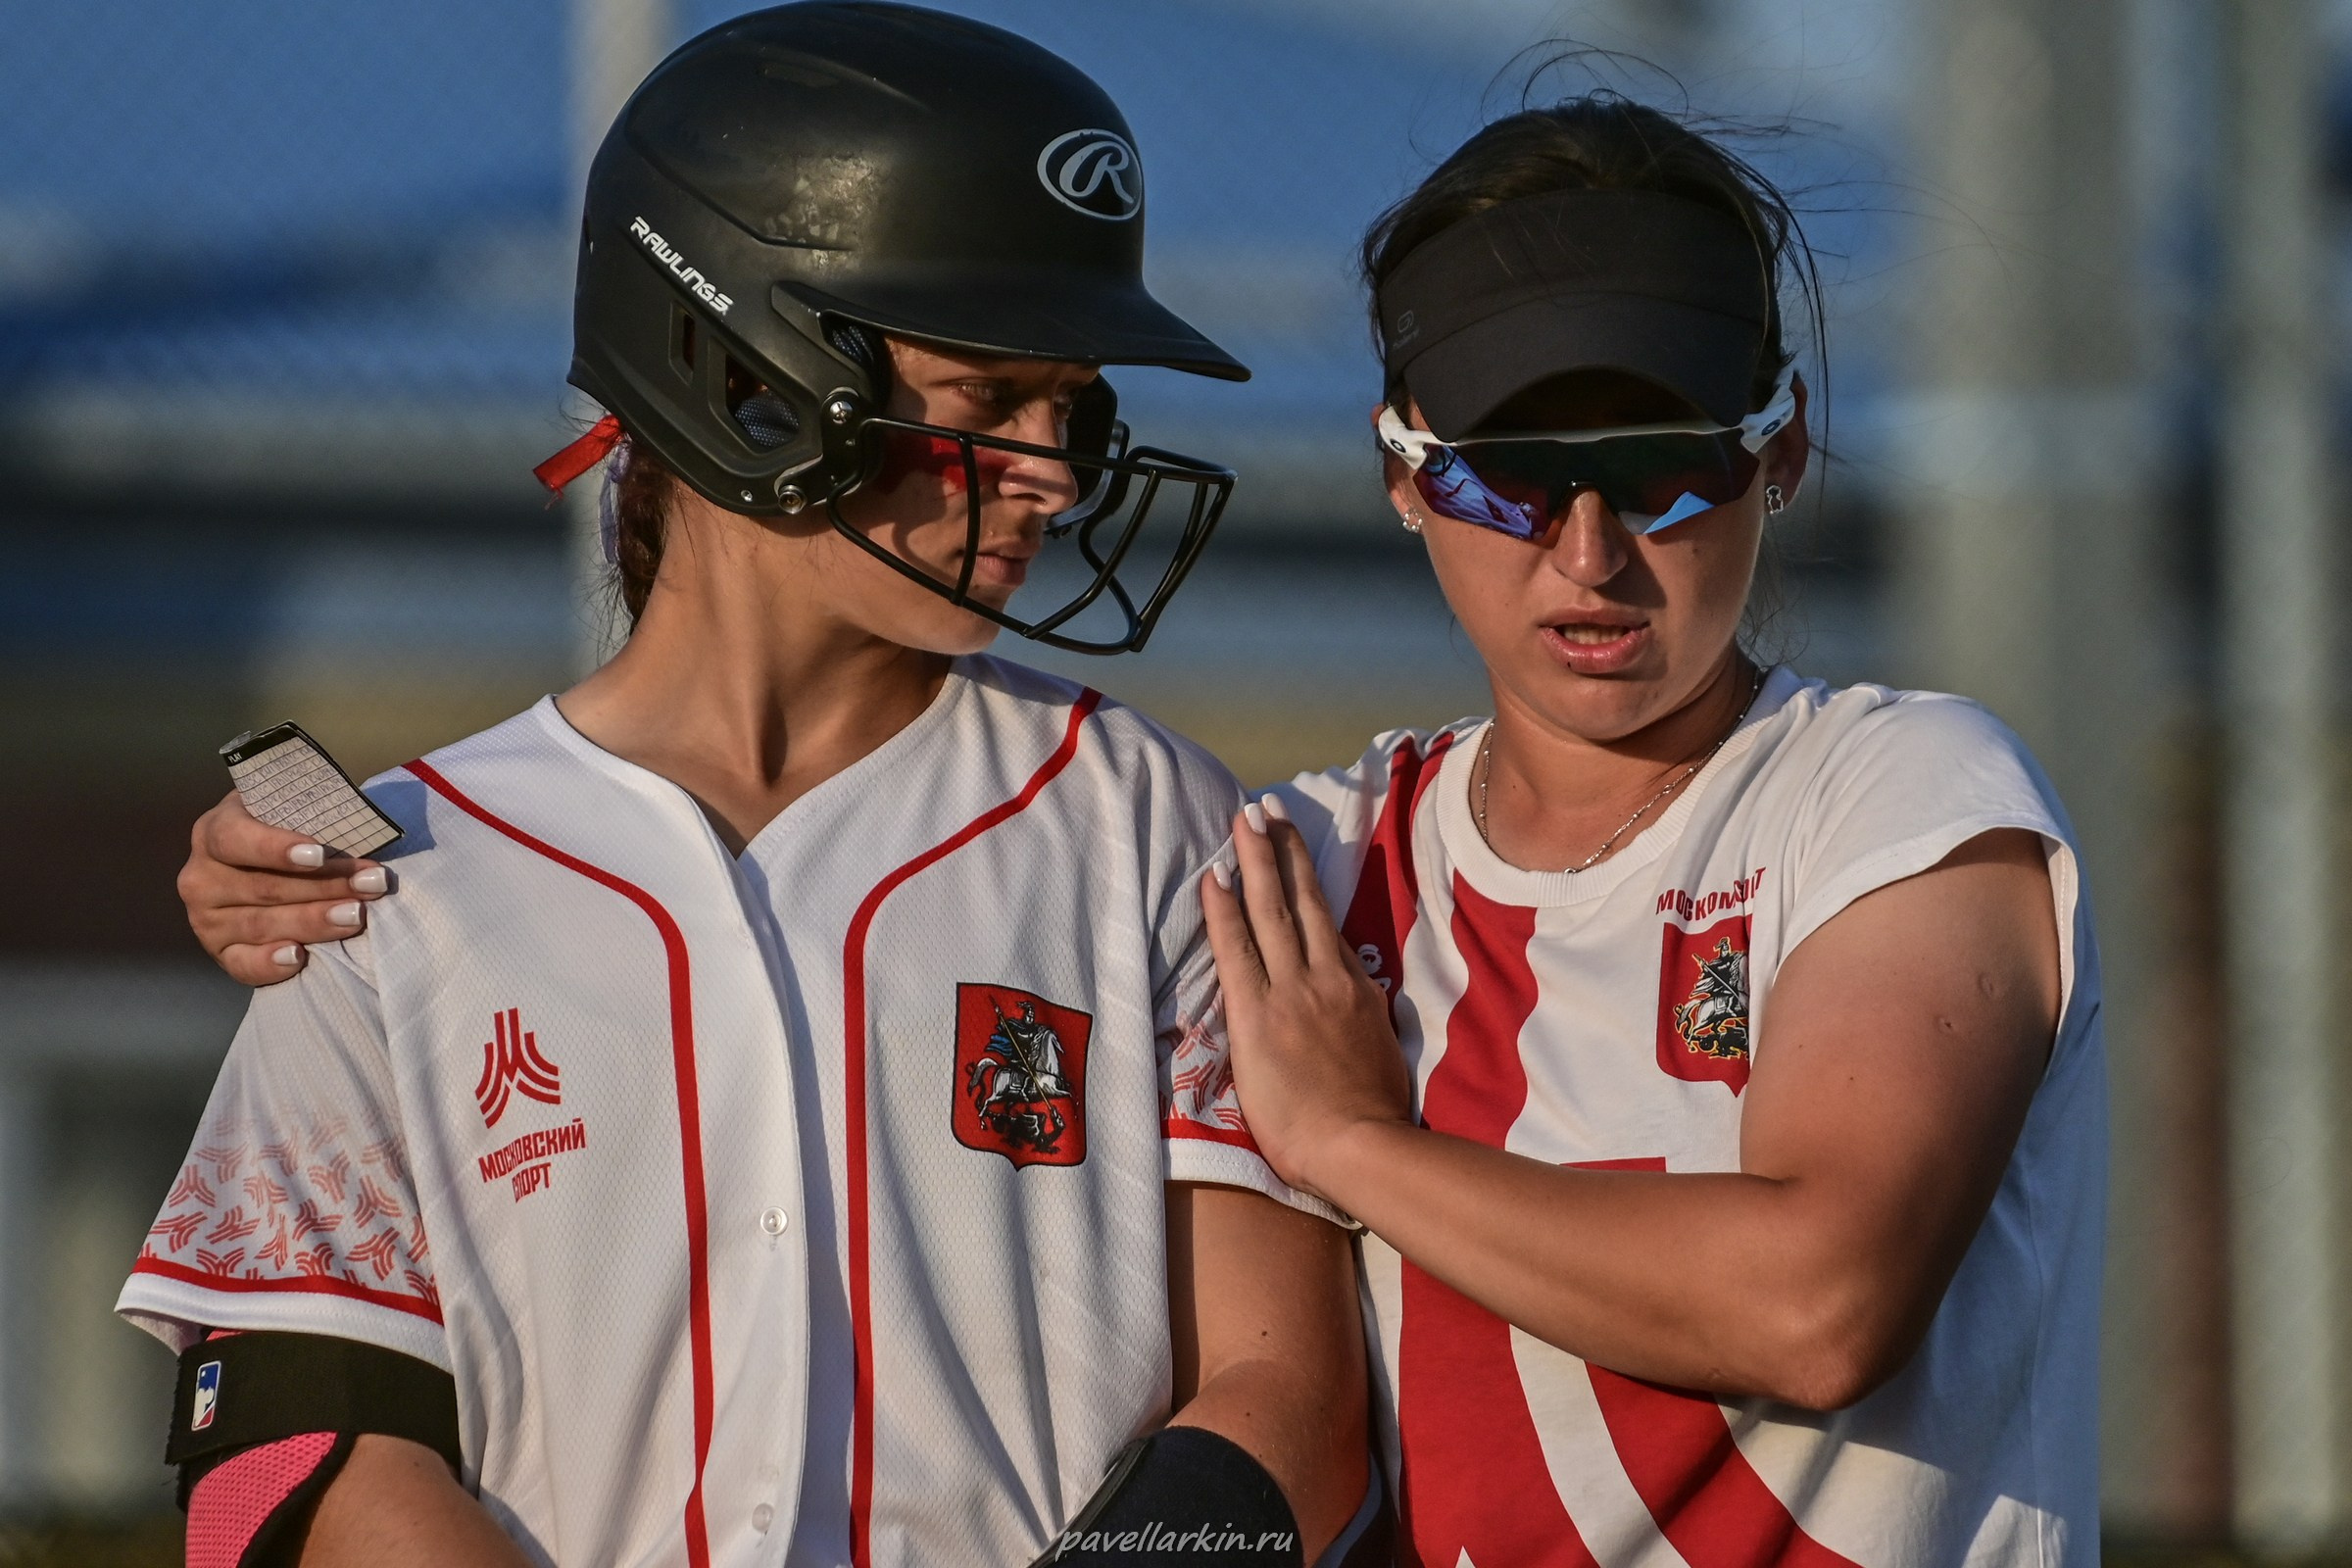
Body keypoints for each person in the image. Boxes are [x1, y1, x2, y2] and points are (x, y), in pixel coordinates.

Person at [122, 8, 1371, 1567]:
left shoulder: (1145, 822)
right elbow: (292, 1451)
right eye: (989, 401)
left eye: (1075, 409)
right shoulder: (398, 874)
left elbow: (1289, 1404)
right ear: (744, 380)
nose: (1053, 474)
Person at [1196, 96, 2102, 1566]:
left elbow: (1818, 1306)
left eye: (1662, 463)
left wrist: (1350, 1143)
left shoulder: (1904, 797)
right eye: (1506, 471)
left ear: (1780, 448)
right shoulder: (1311, 865)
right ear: (1402, 471)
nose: (1589, 552)